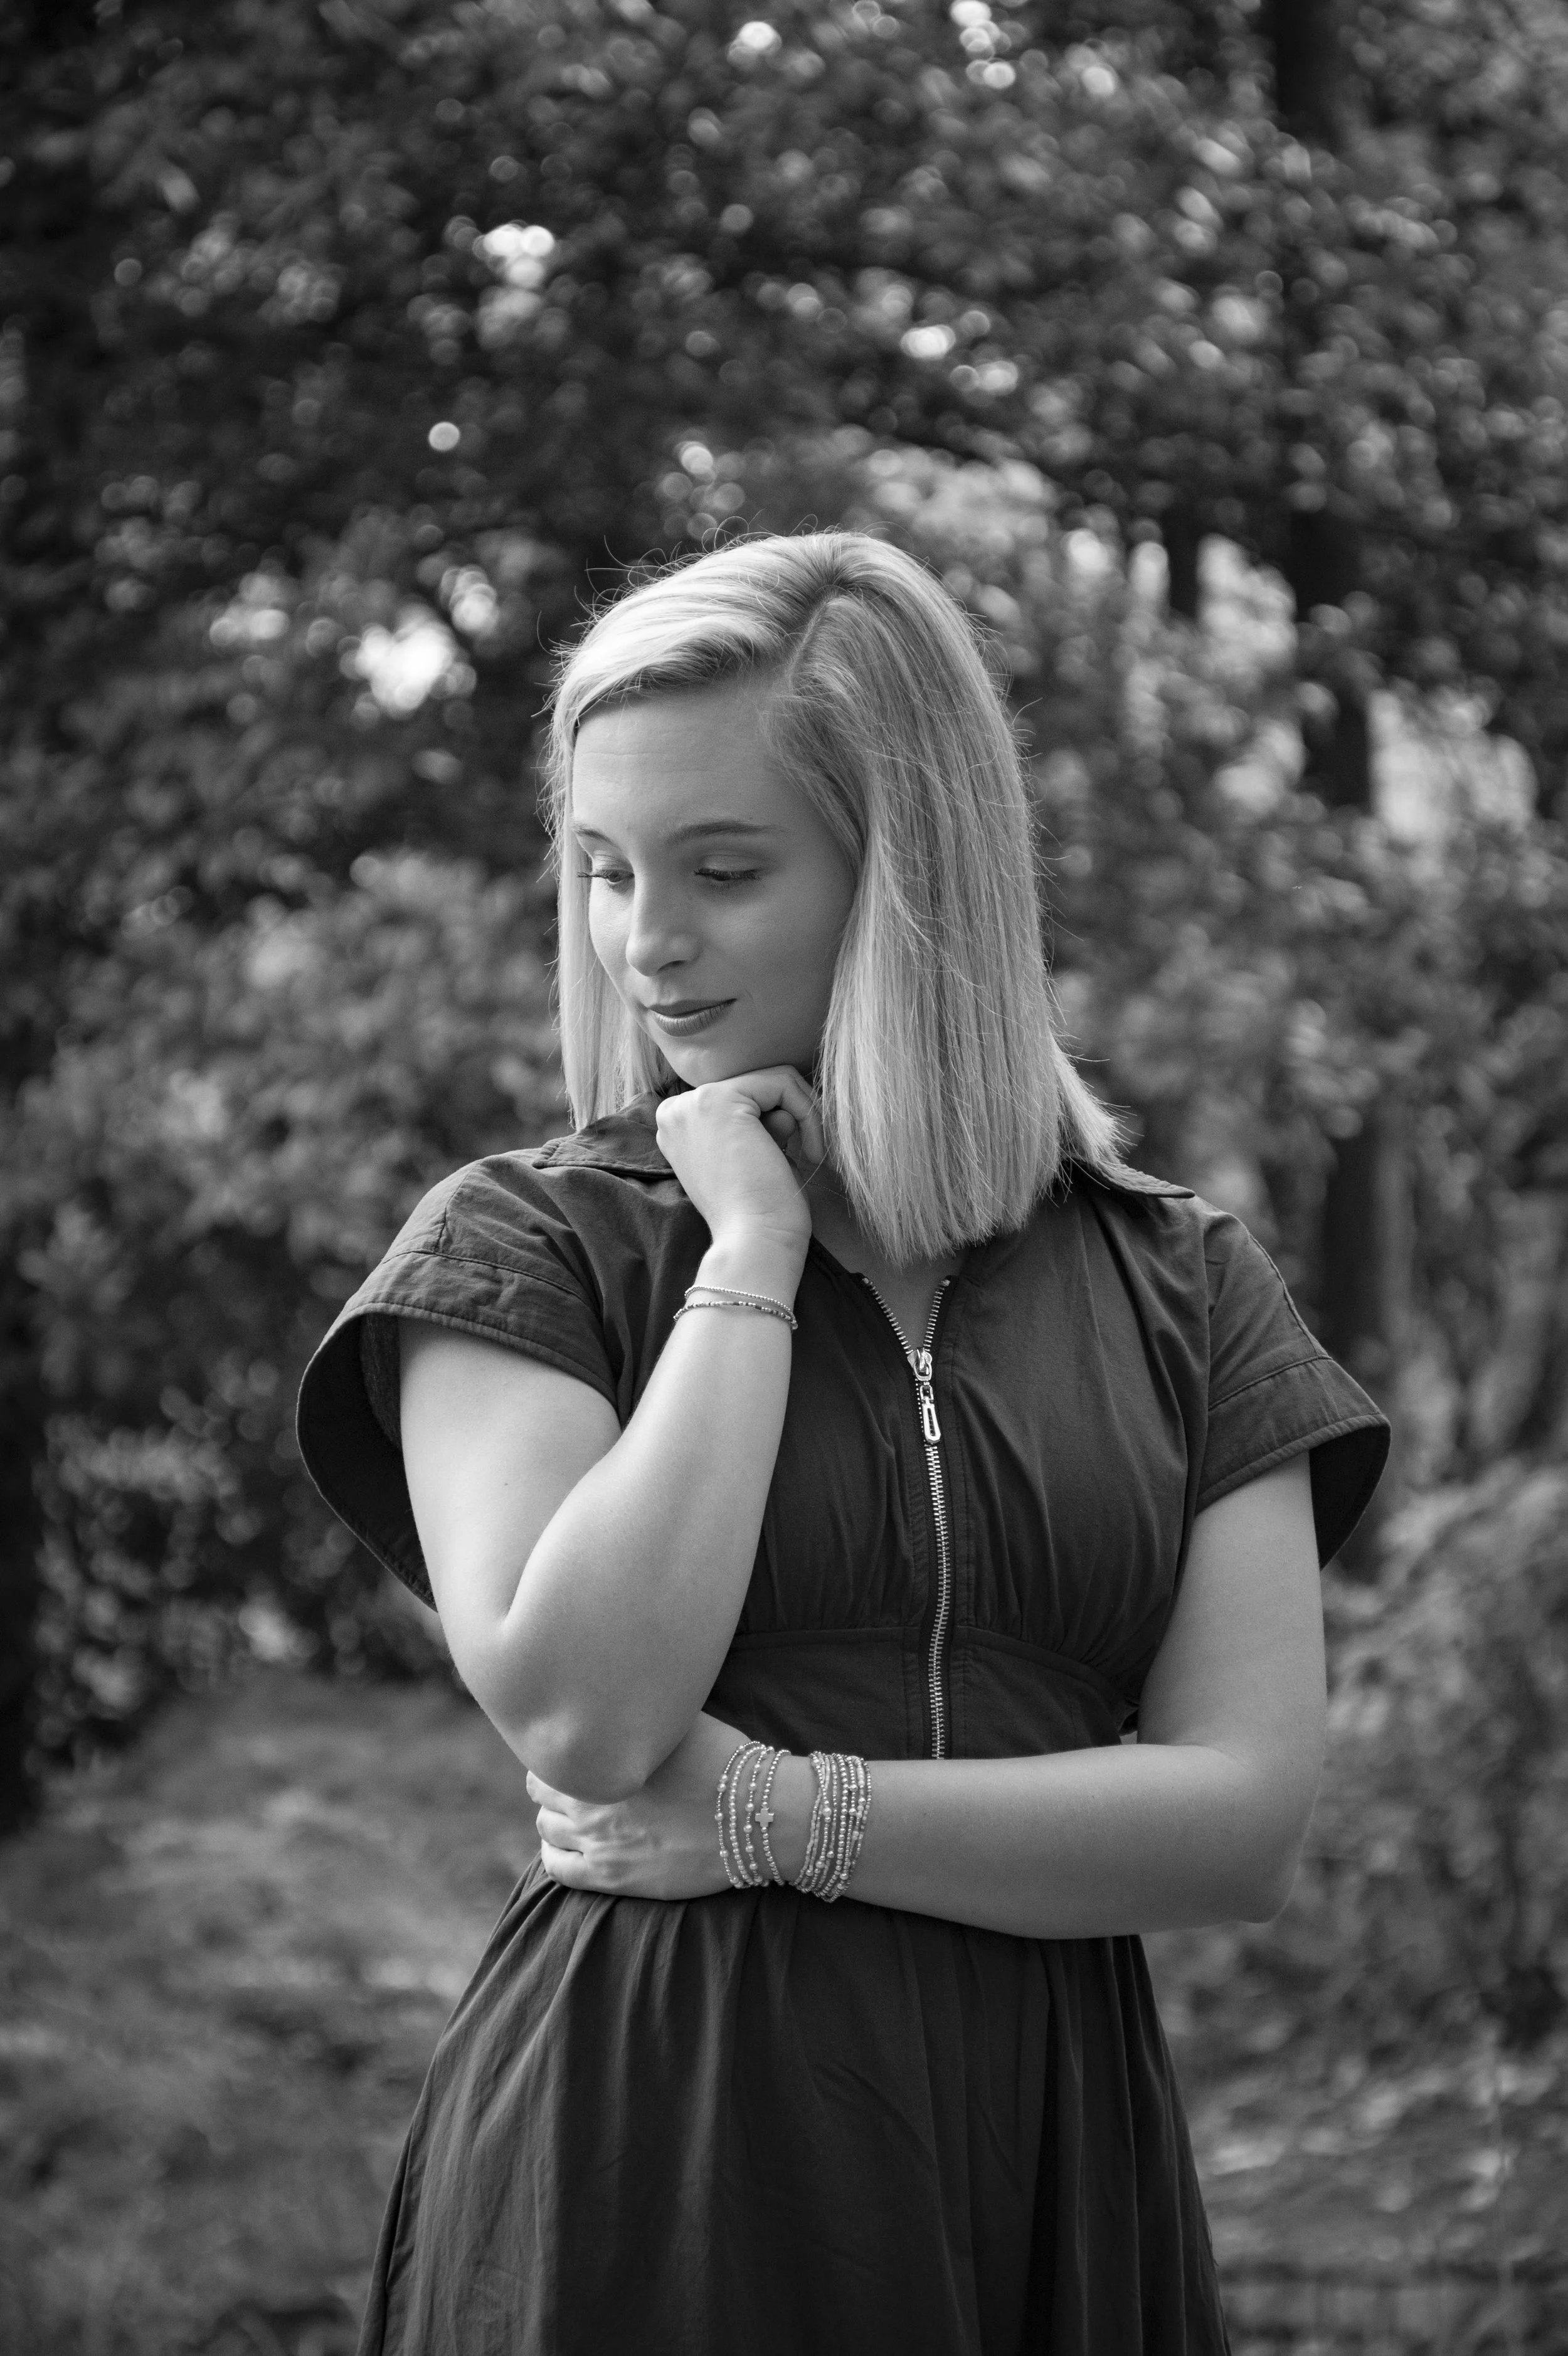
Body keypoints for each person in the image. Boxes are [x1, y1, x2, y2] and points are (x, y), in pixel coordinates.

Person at [297, 531, 1389, 2356]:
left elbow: (1238, 1821)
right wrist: (751, 1258)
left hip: (1051, 2152)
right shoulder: (529, 1246)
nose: (644, 942)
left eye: (724, 869)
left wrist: (780, 1815)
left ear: (913, 878)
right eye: (601, 871)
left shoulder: (1177, 1280)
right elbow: (580, 1710)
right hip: (657, 2149)